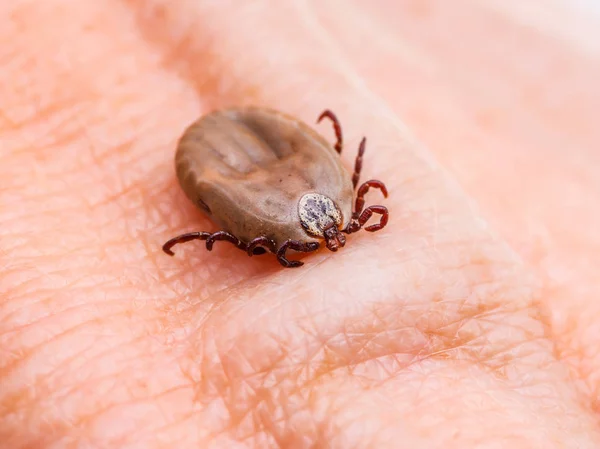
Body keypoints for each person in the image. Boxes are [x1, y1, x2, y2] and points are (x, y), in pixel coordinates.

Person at [2, 1, 600, 447]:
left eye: (338, 233)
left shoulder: (337, 207)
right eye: (331, 237)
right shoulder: (309, 220)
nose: (336, 243)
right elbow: (263, 236)